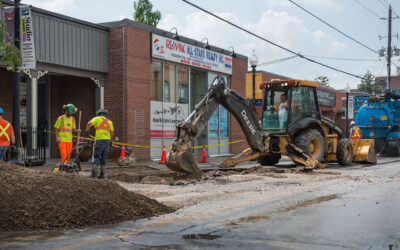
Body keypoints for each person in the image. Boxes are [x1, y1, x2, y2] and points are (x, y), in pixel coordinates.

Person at [86, 109, 114, 179]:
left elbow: (89, 124)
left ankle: (94, 174)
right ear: (105, 115)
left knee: (96, 157)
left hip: (99, 140)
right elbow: (112, 133)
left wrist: (87, 131)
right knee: (104, 158)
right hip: (107, 141)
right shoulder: (109, 122)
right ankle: (102, 175)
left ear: (99, 114)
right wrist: (111, 141)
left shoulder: (97, 118)